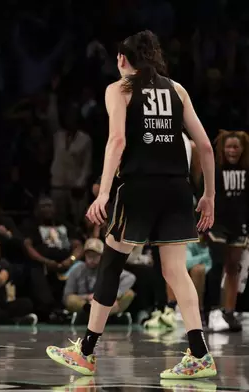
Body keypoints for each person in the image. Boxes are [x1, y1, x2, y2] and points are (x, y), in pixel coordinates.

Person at [46, 30, 217, 379]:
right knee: (175, 272)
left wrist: (104, 192)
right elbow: (205, 146)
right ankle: (200, 355)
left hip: (139, 189)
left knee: (111, 264)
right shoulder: (177, 89)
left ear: (123, 60)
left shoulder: (120, 88)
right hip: (177, 190)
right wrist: (209, 196)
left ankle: (87, 352)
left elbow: (117, 140)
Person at [205, 130, 249, 332]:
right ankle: (212, 310)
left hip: (238, 224)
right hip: (217, 222)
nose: (232, 150)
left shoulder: (247, 169)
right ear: (222, 149)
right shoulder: (214, 168)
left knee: (234, 267)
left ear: (242, 149)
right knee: (218, 264)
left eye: (236, 147)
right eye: (229, 147)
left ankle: (229, 312)